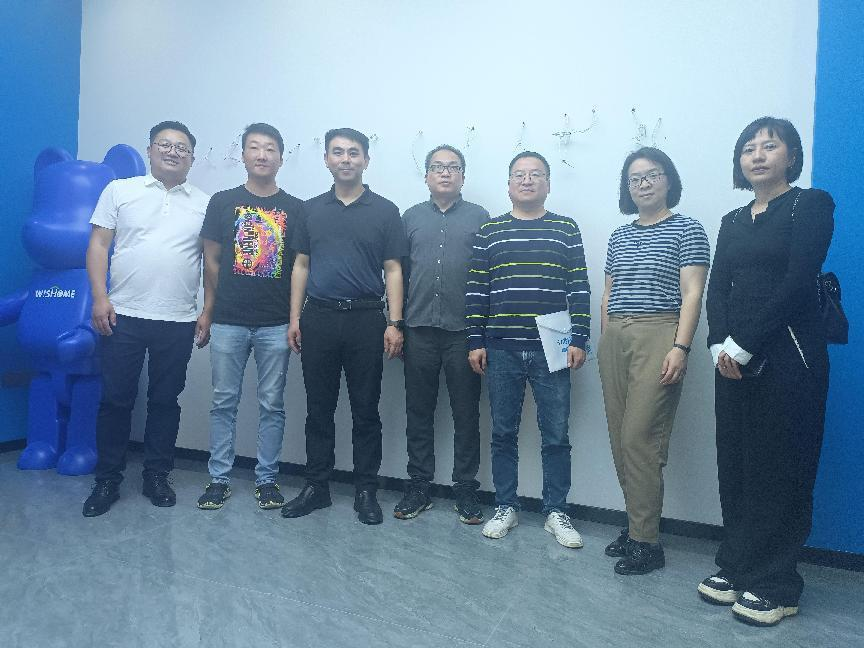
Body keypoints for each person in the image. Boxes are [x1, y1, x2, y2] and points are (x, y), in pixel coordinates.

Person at [699, 117, 835, 626]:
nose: (757, 155)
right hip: (731, 361)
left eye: (769, 146)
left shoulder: (810, 205)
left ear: (791, 156)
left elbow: (798, 283)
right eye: (748, 148)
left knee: (781, 467)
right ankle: (736, 566)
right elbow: (718, 285)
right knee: (736, 463)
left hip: (789, 358)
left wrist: (745, 344)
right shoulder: (733, 218)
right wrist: (718, 343)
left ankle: (777, 583)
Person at [82, 120, 209, 517]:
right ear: (150, 150)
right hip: (123, 314)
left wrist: (208, 309)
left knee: (165, 401)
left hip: (178, 318)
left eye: (182, 147)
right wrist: (99, 297)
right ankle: (107, 479)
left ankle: (157, 475)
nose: (173, 152)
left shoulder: (205, 203)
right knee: (115, 400)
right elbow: (98, 244)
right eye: (164, 144)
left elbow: (212, 262)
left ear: (192, 158)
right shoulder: (120, 190)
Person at [281, 128, 408, 525]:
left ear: (366, 160)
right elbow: (301, 265)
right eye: (338, 152)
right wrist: (295, 318)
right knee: (318, 409)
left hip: (366, 320)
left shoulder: (385, 211)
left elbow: (393, 269)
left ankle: (366, 490)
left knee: (366, 410)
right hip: (318, 318)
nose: (346, 159)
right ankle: (316, 487)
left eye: (354, 152)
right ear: (326, 160)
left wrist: (395, 322)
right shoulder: (310, 210)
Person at [466, 151, 589, 547]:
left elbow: (579, 287)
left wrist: (580, 338)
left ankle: (556, 511)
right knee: (503, 433)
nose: (527, 180)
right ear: (509, 184)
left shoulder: (565, 228)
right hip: (501, 346)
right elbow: (477, 289)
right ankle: (506, 506)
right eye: (519, 174)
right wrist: (474, 341)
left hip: (553, 345)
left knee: (556, 435)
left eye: (536, 174)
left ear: (548, 184)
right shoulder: (490, 230)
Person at [597, 147, 710, 575]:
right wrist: (606, 337)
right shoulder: (618, 235)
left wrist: (680, 347)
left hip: (659, 332)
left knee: (640, 439)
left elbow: (693, 293)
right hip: (615, 336)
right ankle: (635, 527)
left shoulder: (688, 229)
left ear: (668, 180)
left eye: (652, 175)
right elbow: (608, 292)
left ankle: (647, 543)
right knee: (619, 438)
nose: (643, 183)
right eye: (635, 178)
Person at [196, 123, 304, 511]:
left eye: (270, 148)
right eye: (255, 147)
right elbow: (211, 260)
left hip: (276, 322)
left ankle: (267, 479)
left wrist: (294, 319)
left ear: (281, 158)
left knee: (272, 404)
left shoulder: (296, 208)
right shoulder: (222, 202)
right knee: (223, 402)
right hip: (228, 320)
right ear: (243, 155)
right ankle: (218, 479)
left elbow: (300, 267)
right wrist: (208, 311)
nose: (262, 154)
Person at [395, 145, 489, 523]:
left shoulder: (480, 218)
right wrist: (396, 324)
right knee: (418, 411)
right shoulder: (410, 217)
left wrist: (482, 333)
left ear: (463, 176)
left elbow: (488, 276)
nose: (445, 173)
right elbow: (397, 273)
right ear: (427, 176)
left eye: (453, 167)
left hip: (464, 333)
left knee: (466, 414)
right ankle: (419, 485)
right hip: (418, 329)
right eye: (438, 167)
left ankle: (465, 488)